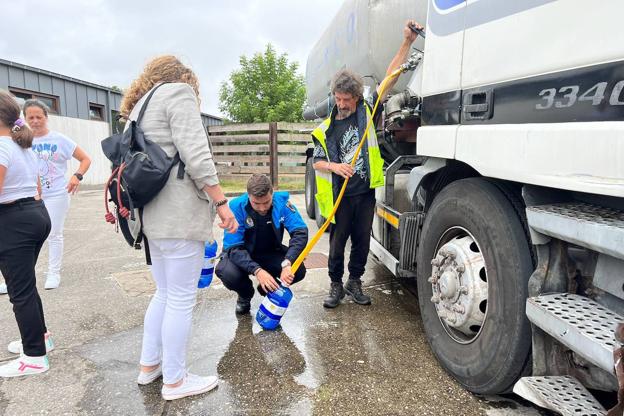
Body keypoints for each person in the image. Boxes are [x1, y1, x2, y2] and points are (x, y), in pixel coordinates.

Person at [121, 55, 237, 401]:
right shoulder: (178, 93)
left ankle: (149, 366)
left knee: (165, 293)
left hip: (152, 217)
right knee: (181, 298)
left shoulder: (139, 107)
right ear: (183, 76)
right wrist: (220, 202)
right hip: (179, 216)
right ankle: (175, 381)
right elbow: (196, 154)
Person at [312, 20, 423, 308]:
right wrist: (336, 167)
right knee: (337, 245)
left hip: (364, 192)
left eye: (346, 99)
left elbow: (389, 77)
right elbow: (317, 163)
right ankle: (335, 285)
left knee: (362, 242)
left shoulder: (366, 110)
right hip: (339, 196)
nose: (341, 104)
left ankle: (354, 281)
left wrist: (407, 42)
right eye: (337, 98)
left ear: (357, 97)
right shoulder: (326, 128)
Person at [0, 90, 53, 377]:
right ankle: (40, 336)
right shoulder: (21, 145)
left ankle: (34, 356)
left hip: (13, 222)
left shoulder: (1, 146)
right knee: (26, 285)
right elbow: (36, 186)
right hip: (35, 214)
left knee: (20, 291)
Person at [23, 99, 92, 290]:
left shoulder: (59, 139)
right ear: (25, 118)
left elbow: (85, 159)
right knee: (27, 237)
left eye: (39, 117)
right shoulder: (22, 139)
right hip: (30, 195)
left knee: (54, 234)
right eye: (31, 117)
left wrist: (77, 176)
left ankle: (53, 272)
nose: (35, 121)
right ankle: (20, 276)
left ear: (46, 117)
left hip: (56, 194)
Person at [216, 174, 308, 314]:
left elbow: (300, 232)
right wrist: (258, 271)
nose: (262, 208)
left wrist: (287, 262)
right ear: (248, 196)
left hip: (269, 251)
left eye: (266, 202)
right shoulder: (236, 206)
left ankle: (268, 288)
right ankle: (245, 294)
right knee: (227, 273)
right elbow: (233, 248)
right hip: (241, 253)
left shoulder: (282, 203)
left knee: (298, 270)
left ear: (272, 193)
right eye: (256, 203)